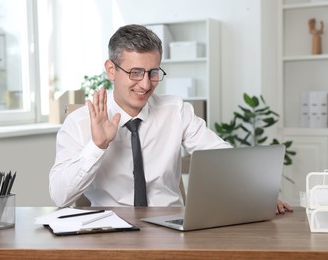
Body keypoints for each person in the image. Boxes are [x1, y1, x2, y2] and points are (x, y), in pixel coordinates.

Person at [49, 24, 293, 214]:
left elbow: (221, 155)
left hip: (169, 226)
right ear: (111, 69)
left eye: (153, 73)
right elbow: (60, 196)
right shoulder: (79, 122)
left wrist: (256, 193)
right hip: (108, 230)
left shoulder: (176, 110)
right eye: (135, 73)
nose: (145, 84)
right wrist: (97, 146)